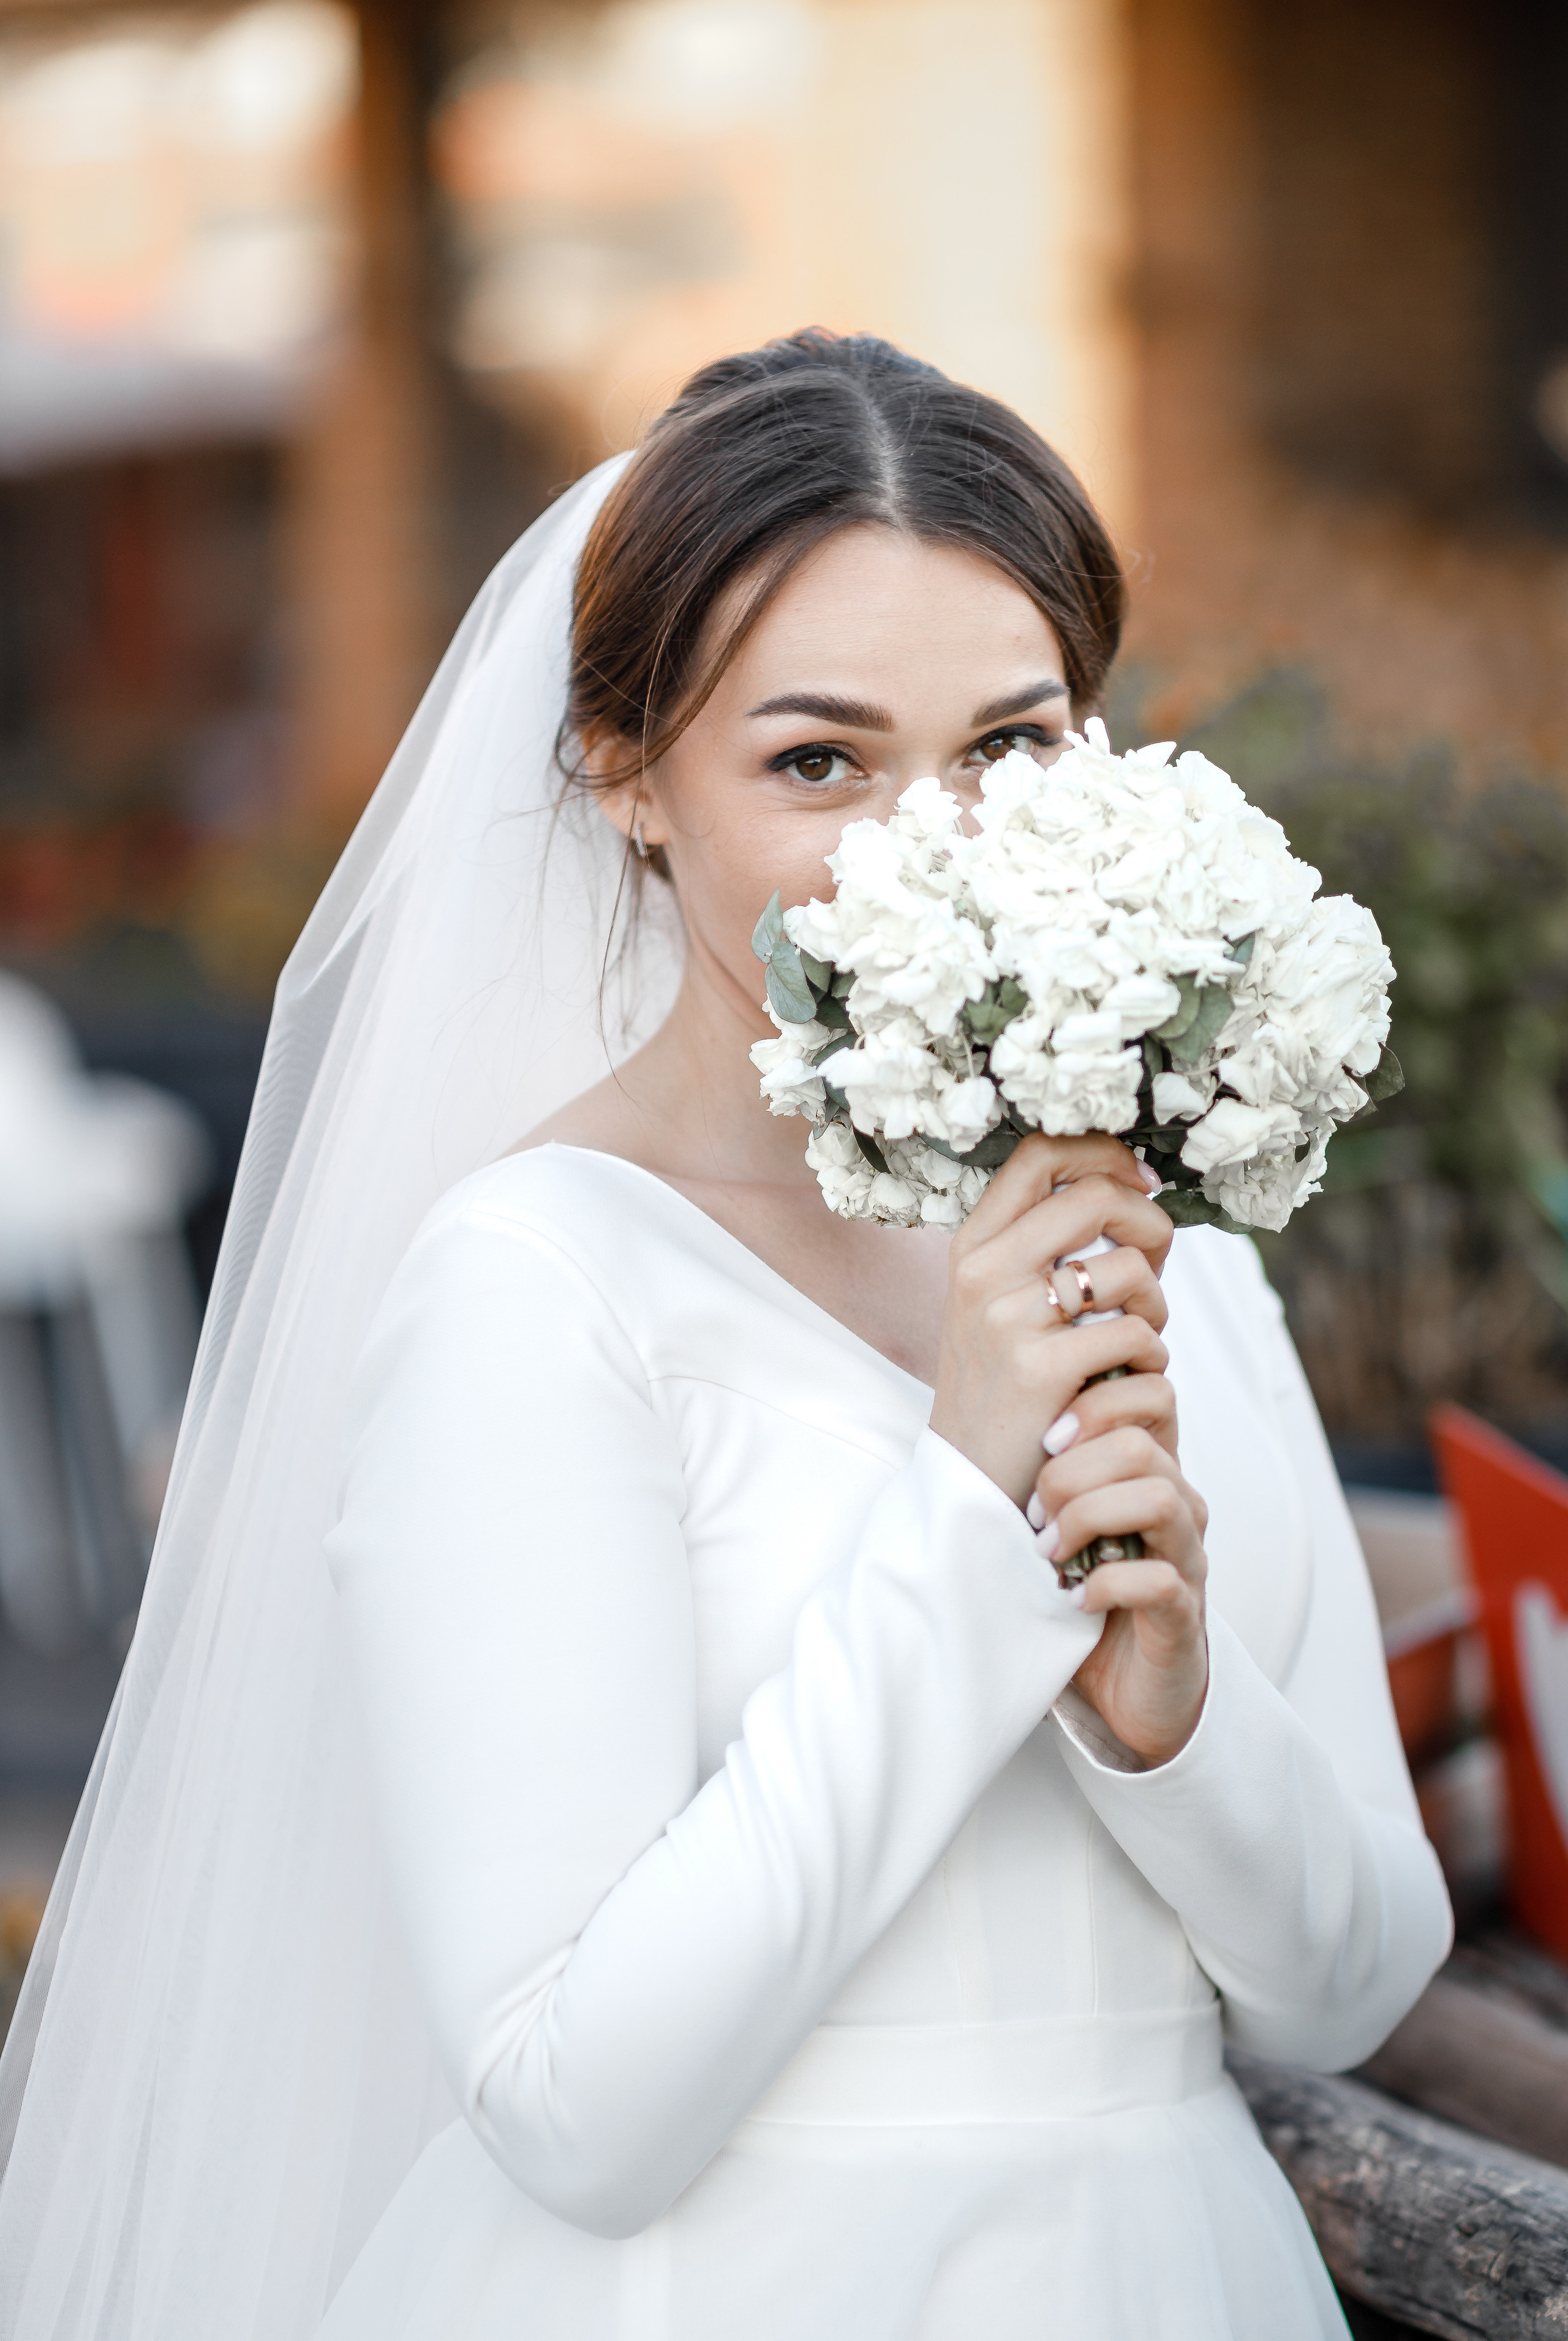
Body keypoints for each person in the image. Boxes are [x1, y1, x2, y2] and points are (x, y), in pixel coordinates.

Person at [0, 331, 1450, 2339]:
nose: (935, 849)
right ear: (625, 776)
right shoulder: (538, 1284)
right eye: (817, 762)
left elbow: (1352, 1986)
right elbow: (580, 2110)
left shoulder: (1174, 1254)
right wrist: (970, 1526)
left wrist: (1181, 1727)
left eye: (1013, 746)